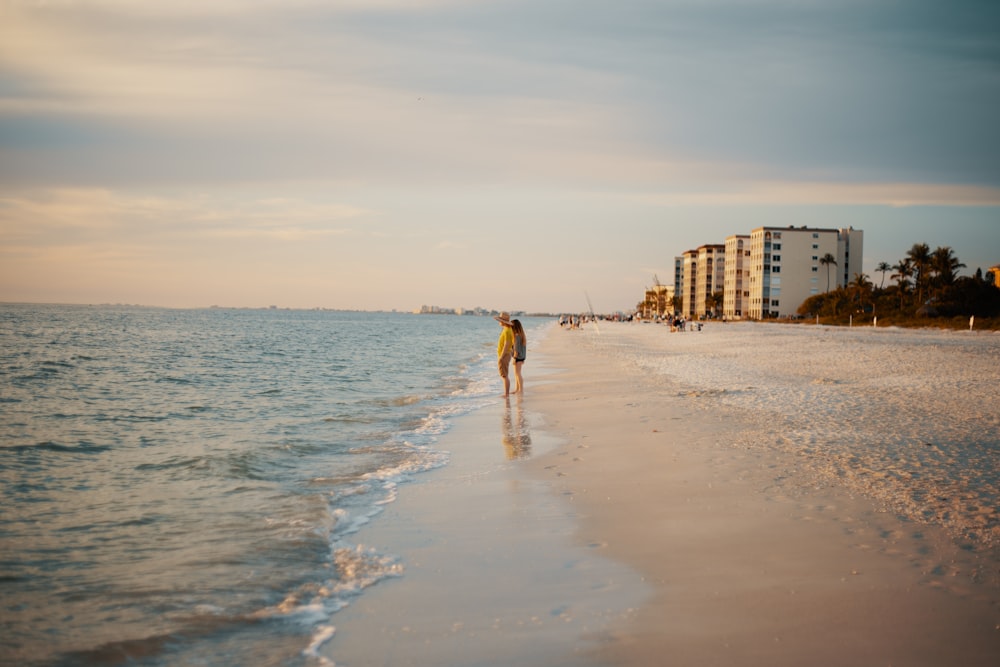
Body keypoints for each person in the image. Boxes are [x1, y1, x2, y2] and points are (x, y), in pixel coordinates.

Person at [494, 311, 514, 397]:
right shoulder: (507, 330)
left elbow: (507, 344)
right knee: (504, 374)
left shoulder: (507, 331)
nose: (499, 322)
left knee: (504, 375)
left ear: (502, 321)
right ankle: (506, 393)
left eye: (500, 320)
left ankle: (506, 394)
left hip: (504, 355)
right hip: (506, 354)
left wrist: (501, 357)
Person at [511, 319, 527, 394]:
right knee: (517, 373)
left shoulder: (517, 336)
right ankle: (517, 388)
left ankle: (520, 389)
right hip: (521, 356)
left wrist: (514, 358)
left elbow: (516, 348)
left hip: (518, 356)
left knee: (518, 373)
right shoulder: (522, 335)